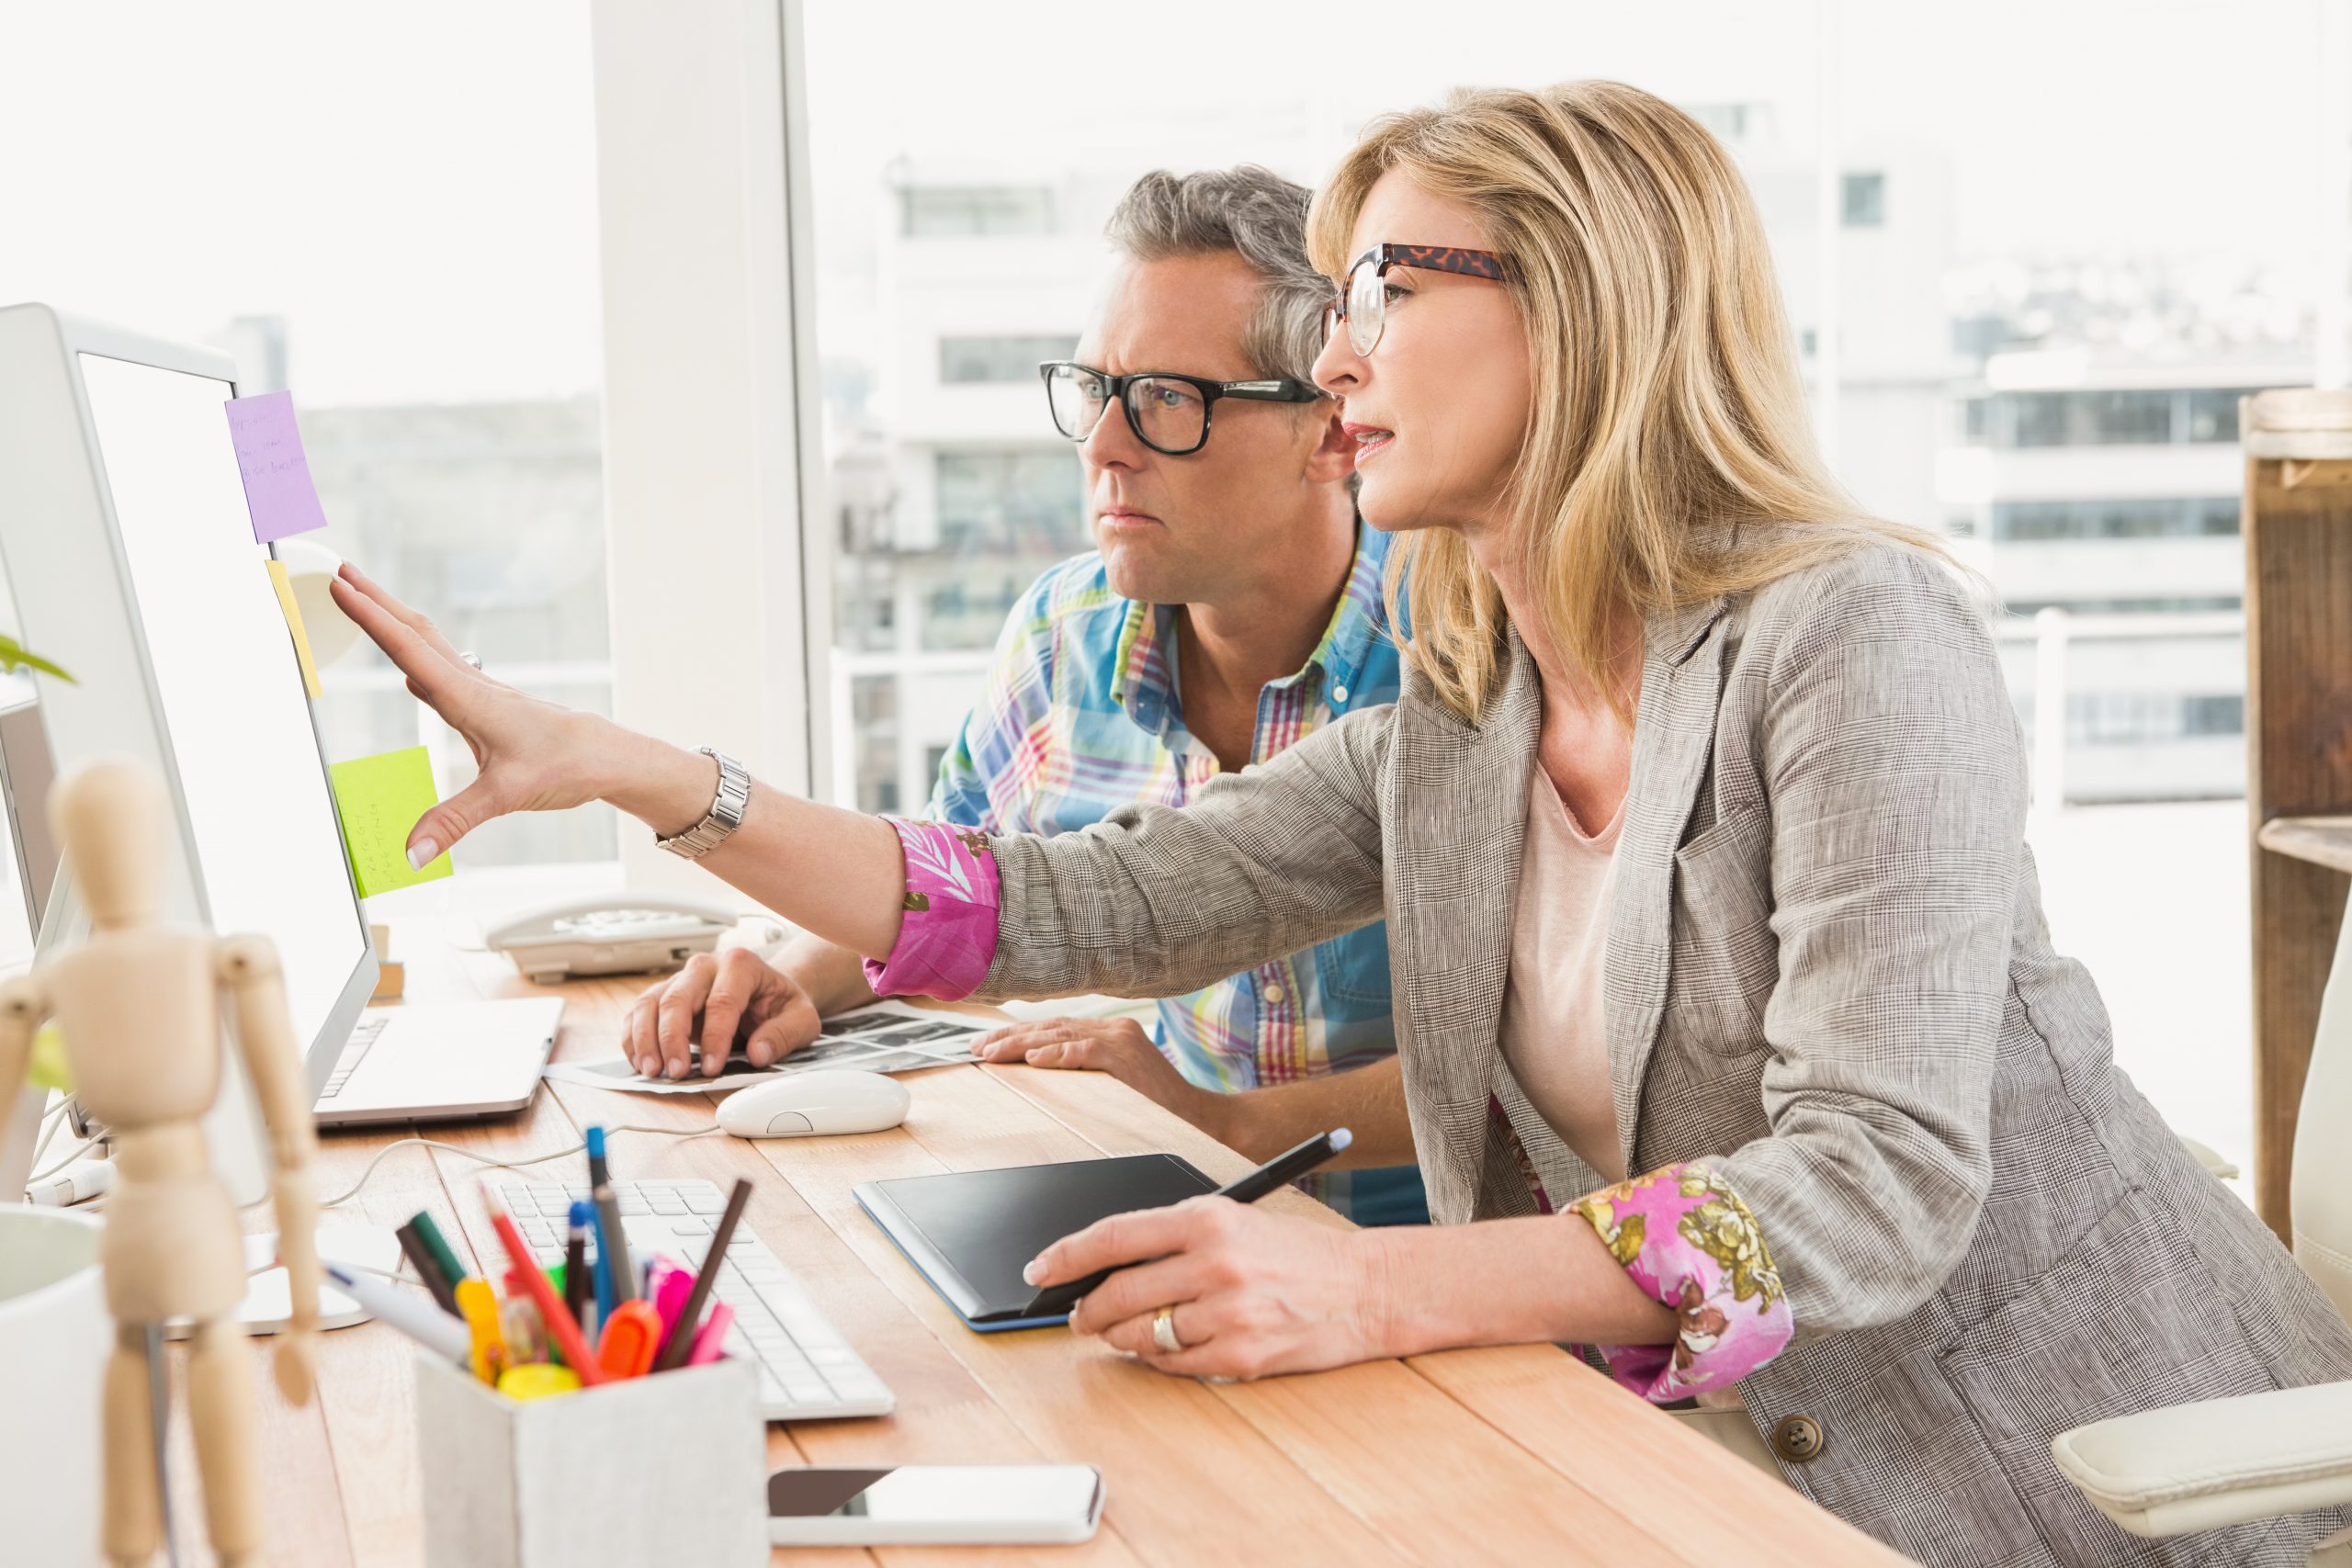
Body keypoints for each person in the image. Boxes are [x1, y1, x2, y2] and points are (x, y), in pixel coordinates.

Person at [334, 82, 2352, 1567]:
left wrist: (1369, 1284)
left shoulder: (1845, 635)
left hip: (2093, 1482)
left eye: (1382, 283)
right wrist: (638, 772)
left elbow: (1874, 1183)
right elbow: (1061, 904)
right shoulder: (1461, 710)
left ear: (1582, 309)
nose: (1334, 349)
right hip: (1726, 1476)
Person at [599, 167, 1429, 1224]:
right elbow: (953, 888)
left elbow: (1550, 1071)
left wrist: (1226, 1129)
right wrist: (797, 980)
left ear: (1328, 432)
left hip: (1421, 1263)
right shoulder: (1063, 632)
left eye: (1168, 399)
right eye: (1096, 391)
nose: (1104, 445)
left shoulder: (1456, 653)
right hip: (1176, 1217)